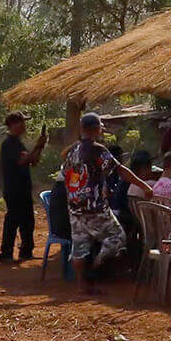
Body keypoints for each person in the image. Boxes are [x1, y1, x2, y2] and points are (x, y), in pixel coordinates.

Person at [60, 113, 126, 293]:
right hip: (95, 207)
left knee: (79, 247)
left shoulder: (72, 151)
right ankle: (94, 269)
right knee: (118, 237)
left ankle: (82, 285)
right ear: (96, 129)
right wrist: (144, 185)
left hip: (75, 207)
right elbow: (119, 169)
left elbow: (67, 175)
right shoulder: (97, 150)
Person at [0, 111, 48, 263]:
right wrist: (37, 146)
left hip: (23, 188)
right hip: (14, 189)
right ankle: (6, 254)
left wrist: (40, 147)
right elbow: (22, 161)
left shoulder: (18, 143)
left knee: (27, 221)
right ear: (13, 124)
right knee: (13, 221)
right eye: (22, 122)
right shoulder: (9, 144)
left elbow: (33, 161)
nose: (24, 125)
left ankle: (26, 252)